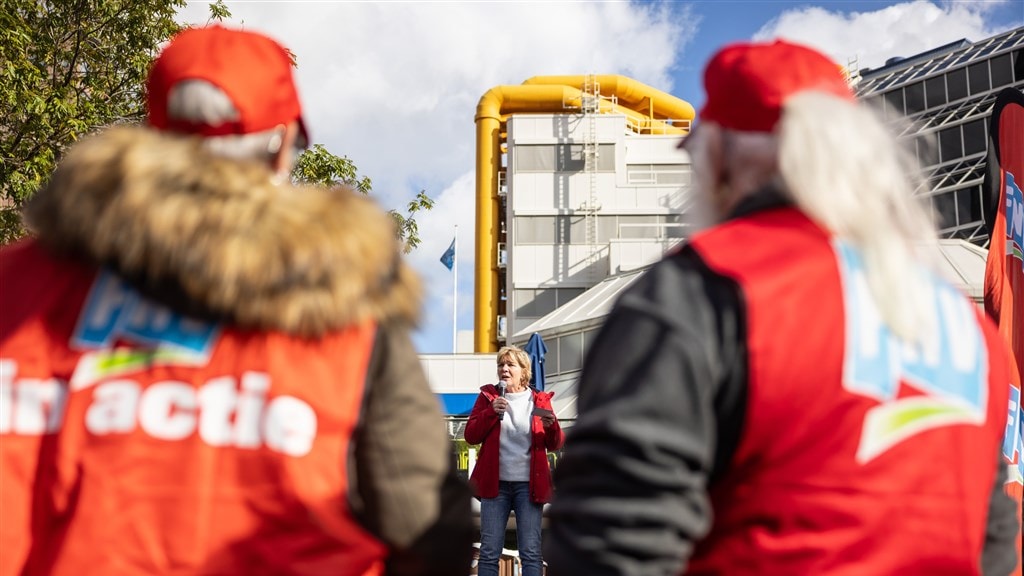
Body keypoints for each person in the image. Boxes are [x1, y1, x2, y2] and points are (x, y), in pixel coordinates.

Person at [0, 25, 472, 576]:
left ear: (153, 136)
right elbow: (426, 523)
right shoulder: (339, 304)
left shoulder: (18, 285)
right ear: (282, 146)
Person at [545, 39, 1019, 575]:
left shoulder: (703, 290)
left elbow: (612, 539)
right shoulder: (966, 325)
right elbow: (992, 536)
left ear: (720, 156)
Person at [464, 345, 564, 576]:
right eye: (501, 365)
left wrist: (553, 427)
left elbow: (556, 443)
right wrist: (490, 412)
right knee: (489, 551)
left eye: (510, 365)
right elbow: (471, 436)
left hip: (528, 487)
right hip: (494, 486)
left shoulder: (538, 400)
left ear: (523, 370)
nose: (504, 369)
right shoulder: (488, 396)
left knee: (530, 551)